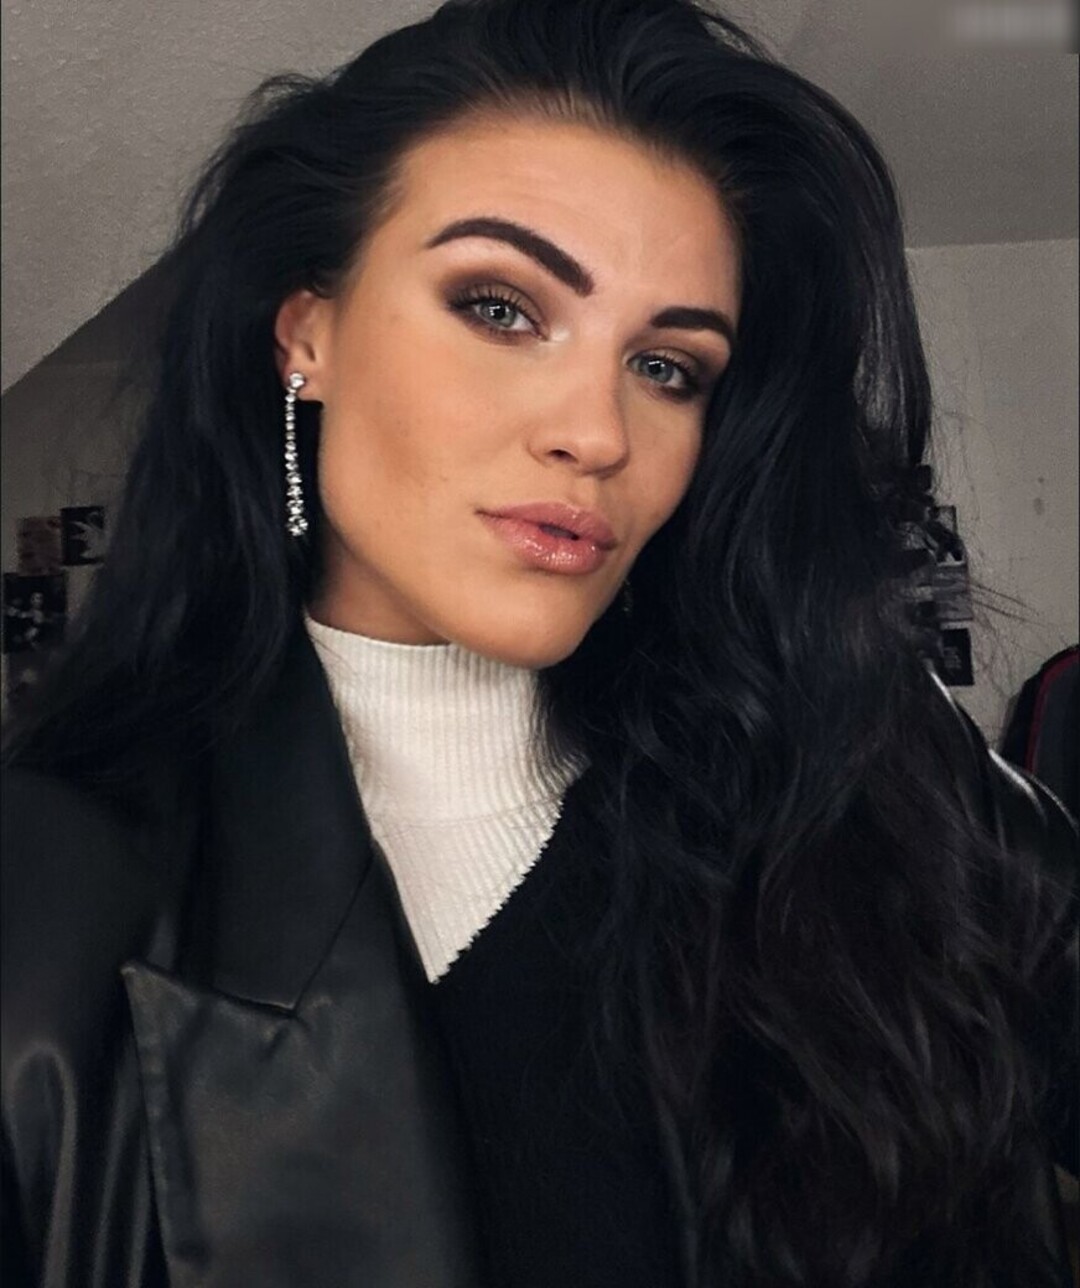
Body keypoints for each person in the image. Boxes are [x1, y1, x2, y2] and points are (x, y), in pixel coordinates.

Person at [2, 1, 1076, 1284]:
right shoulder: (46, 899)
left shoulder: (870, 776)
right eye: (501, 308)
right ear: (308, 335)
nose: (598, 433)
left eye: (669, 367)